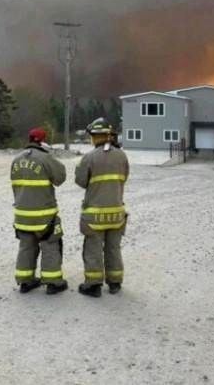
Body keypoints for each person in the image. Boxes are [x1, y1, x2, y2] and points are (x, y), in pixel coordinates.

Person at [75, 118, 130, 297]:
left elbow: (81, 181)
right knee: (113, 248)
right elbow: (124, 177)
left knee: (93, 249)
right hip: (117, 213)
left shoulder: (89, 157)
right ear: (109, 135)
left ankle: (93, 285)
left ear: (94, 137)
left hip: (95, 215)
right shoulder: (122, 156)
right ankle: (115, 283)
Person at [10, 127, 68, 294]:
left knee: (26, 246)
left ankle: (25, 282)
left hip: (22, 215)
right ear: (43, 141)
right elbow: (60, 178)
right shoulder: (45, 158)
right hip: (44, 216)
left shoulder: (16, 160)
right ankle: (53, 282)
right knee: (50, 245)